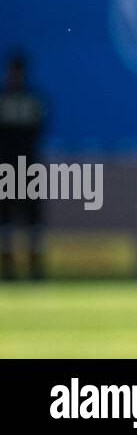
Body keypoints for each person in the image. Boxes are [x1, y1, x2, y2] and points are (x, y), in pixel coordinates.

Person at [0, 52, 49, 280]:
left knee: (32, 219)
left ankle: (34, 266)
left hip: (28, 167)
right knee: (5, 219)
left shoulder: (33, 100)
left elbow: (37, 131)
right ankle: (8, 267)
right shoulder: (9, 99)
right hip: (5, 167)